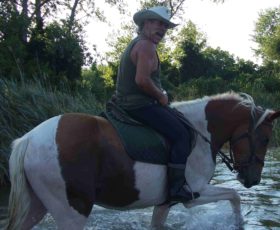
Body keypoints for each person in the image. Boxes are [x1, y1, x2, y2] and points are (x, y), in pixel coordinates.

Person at [114, 6, 197, 203]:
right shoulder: (146, 46)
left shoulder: (138, 44)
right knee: (182, 135)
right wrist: (161, 96)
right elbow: (142, 80)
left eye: (165, 25)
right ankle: (176, 188)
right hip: (140, 105)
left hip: (126, 103)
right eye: (158, 23)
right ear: (145, 23)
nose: (162, 28)